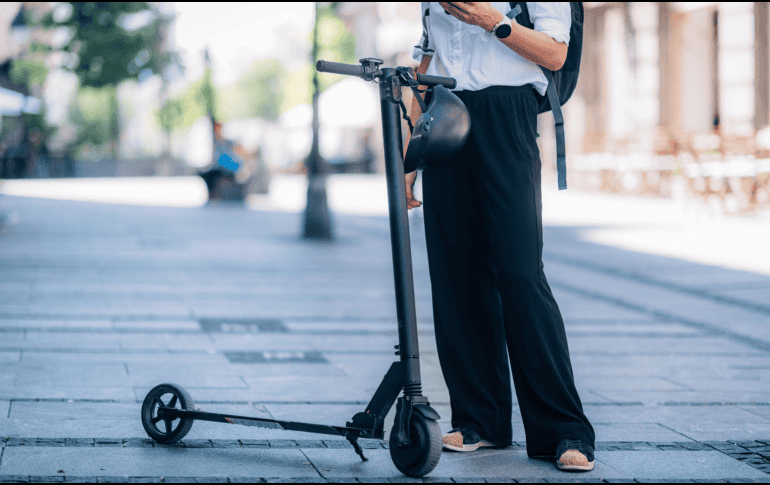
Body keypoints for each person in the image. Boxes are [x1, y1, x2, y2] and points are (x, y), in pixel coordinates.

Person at [405, 2, 596, 472]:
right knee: (456, 276)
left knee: (520, 273)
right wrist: (408, 157)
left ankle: (564, 429)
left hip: (506, 113)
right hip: (446, 114)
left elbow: (554, 54)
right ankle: (480, 421)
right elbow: (425, 63)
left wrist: (490, 20)